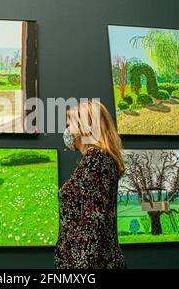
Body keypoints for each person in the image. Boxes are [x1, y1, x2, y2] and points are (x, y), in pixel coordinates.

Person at [55, 100, 126, 269]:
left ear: (84, 126)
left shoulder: (96, 160)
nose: (67, 131)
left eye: (69, 124)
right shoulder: (96, 159)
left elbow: (92, 222)